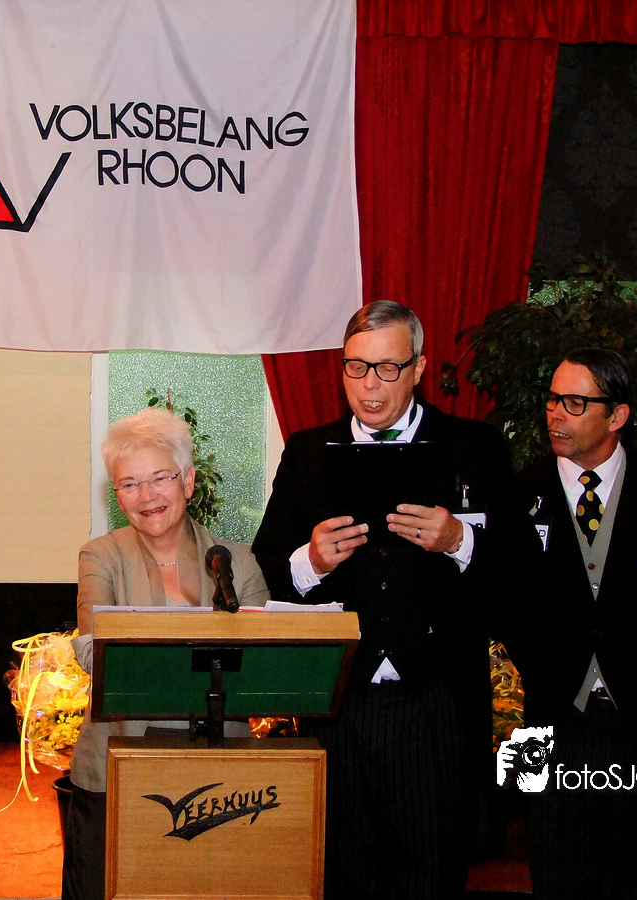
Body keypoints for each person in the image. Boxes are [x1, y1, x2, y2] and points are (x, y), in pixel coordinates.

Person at [251, 300, 539, 899]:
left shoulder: (474, 447)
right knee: (341, 876)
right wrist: (311, 561)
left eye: (387, 368)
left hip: (437, 704)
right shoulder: (308, 453)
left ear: (419, 369)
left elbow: (523, 574)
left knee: (432, 877)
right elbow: (263, 574)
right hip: (338, 702)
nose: (370, 386)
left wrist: (460, 541)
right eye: (356, 367)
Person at [502, 347, 637, 899]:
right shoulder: (514, 497)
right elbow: (506, 605)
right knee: (554, 875)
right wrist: (557, 672)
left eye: (575, 403)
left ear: (617, 414)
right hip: (551, 722)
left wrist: (632, 672)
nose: (556, 413)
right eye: (552, 399)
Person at [61, 406, 269, 900]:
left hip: (223, 775)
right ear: (117, 496)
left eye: (160, 478)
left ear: (188, 481)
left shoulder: (236, 560)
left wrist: (154, 655)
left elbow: (264, 664)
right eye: (129, 484)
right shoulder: (100, 556)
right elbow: (95, 652)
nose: (147, 495)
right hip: (117, 764)